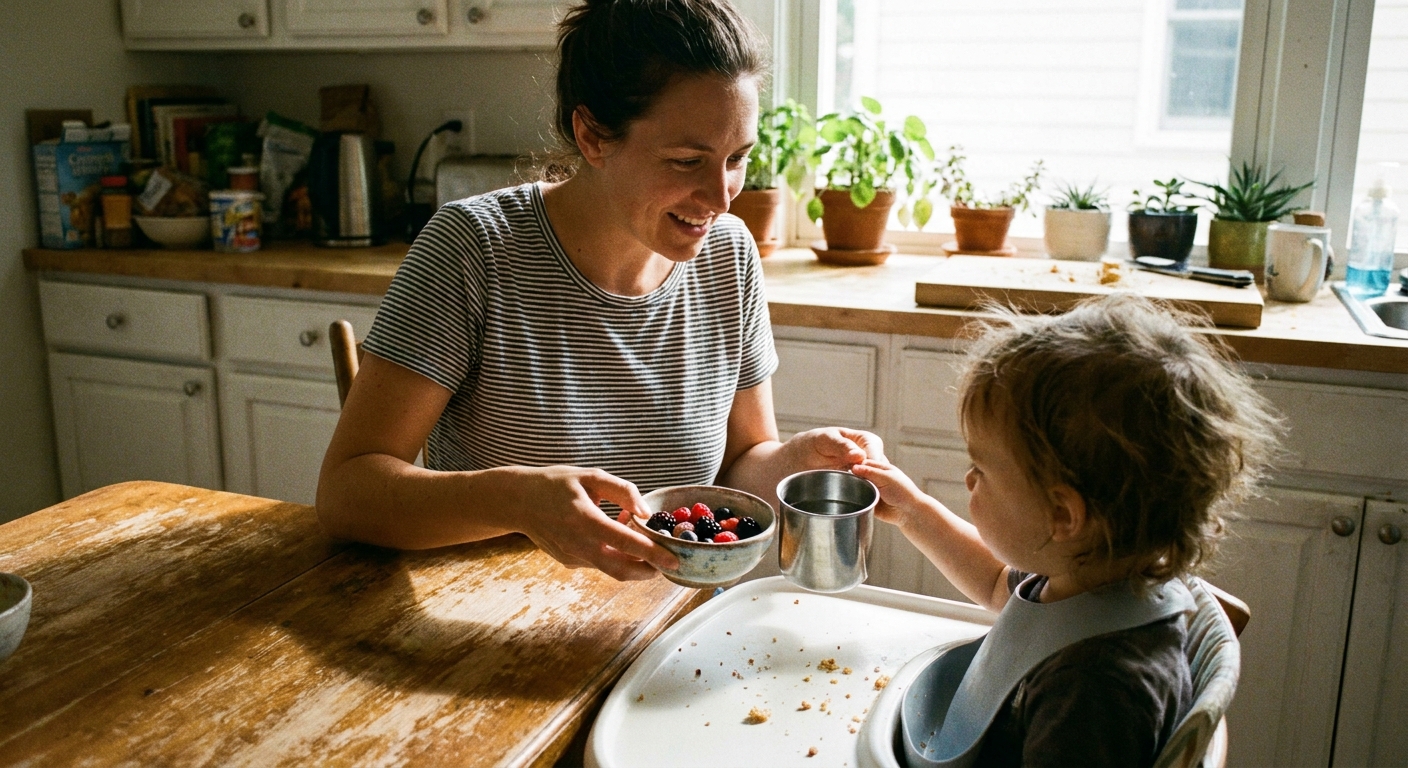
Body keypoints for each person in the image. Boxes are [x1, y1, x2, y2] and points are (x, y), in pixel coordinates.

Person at [317, 0, 883, 581]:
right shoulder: (474, 249)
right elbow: (346, 494)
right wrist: (512, 500)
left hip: (663, 622)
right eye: (687, 161)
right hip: (490, 621)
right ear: (591, 136)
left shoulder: (729, 254)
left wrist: (798, 460)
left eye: (737, 158)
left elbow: (739, 465)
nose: (722, 197)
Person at [851, 294, 1280, 767]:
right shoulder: (1092, 579)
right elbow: (998, 584)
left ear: (1063, 516)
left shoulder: (1094, 689)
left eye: (982, 469)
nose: (969, 480)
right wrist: (913, 511)